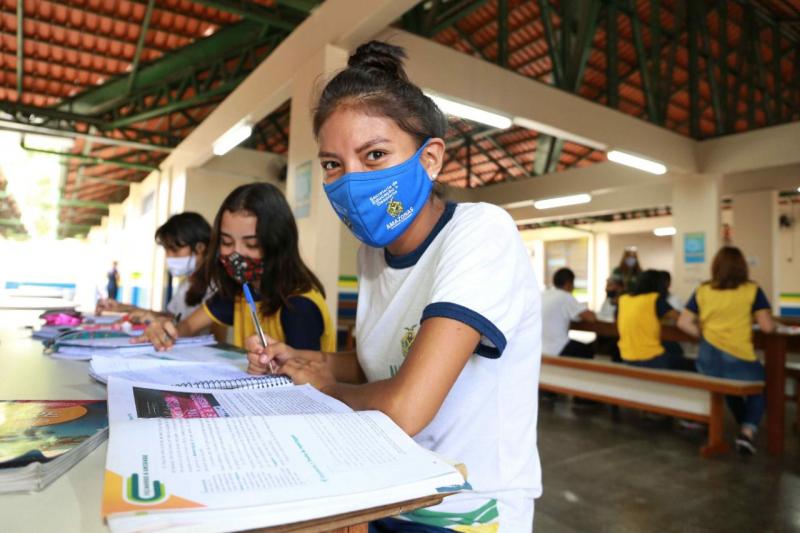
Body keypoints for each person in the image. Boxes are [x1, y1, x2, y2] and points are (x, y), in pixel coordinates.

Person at [246, 41, 541, 532]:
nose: (349, 181)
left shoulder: (481, 231)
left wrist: (326, 386)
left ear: (430, 160)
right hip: (386, 489)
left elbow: (406, 407)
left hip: (466, 509)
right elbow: (372, 365)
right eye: (333, 164)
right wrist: (301, 360)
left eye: (375, 155)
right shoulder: (372, 255)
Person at [138, 183, 335, 353]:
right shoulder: (239, 292)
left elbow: (308, 379)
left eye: (251, 244)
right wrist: (166, 330)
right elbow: (189, 325)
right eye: (226, 242)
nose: (236, 254)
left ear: (278, 243)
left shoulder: (299, 306)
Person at [677, 246, 775, 455]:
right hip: (738, 357)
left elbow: (683, 322)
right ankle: (747, 431)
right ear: (742, 267)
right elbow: (767, 327)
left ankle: (744, 423)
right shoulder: (752, 289)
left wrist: (701, 334)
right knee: (763, 384)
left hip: (707, 360)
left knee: (727, 384)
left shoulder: (703, 290)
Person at [96, 212, 212, 324]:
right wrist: (125, 308)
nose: (169, 256)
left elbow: (195, 329)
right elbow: (172, 317)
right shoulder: (187, 283)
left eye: (174, 250)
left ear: (200, 247)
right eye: (166, 250)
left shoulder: (215, 286)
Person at [617, 269, 685, 369]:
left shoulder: (623, 299)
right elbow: (680, 318)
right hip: (651, 356)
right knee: (686, 361)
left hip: (626, 355)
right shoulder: (654, 299)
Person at [541, 267, 596, 359]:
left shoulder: (543, 294)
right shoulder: (565, 296)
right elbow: (591, 317)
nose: (573, 287)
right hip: (557, 349)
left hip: (540, 348)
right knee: (589, 351)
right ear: (568, 283)